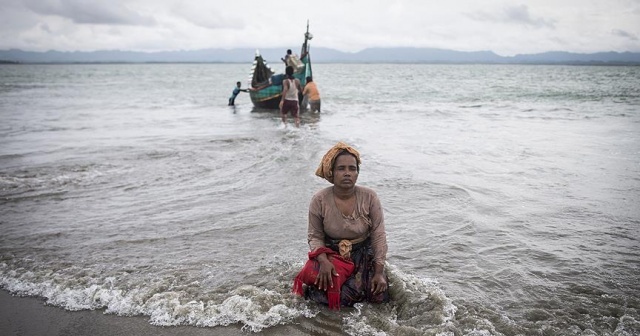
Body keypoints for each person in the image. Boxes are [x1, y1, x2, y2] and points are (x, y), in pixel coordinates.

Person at [292, 142, 390, 309]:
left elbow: (378, 234)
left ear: (357, 173)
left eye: (352, 169)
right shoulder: (320, 200)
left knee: (378, 295)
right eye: (341, 168)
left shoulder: (369, 197)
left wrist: (379, 272)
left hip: (363, 252)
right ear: (332, 172)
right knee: (323, 301)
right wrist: (323, 261)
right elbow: (315, 236)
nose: (347, 173)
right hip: (332, 253)